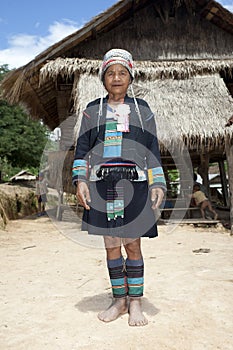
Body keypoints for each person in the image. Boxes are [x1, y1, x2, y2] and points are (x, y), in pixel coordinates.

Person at [72, 48, 166, 326]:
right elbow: (82, 148)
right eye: (110, 73)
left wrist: (157, 181)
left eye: (122, 73)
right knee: (112, 245)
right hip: (103, 186)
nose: (116, 78)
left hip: (135, 185)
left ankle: (136, 302)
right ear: (103, 78)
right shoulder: (93, 111)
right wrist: (80, 180)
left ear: (130, 77)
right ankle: (119, 300)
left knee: (132, 245)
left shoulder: (142, 110)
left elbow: (151, 147)